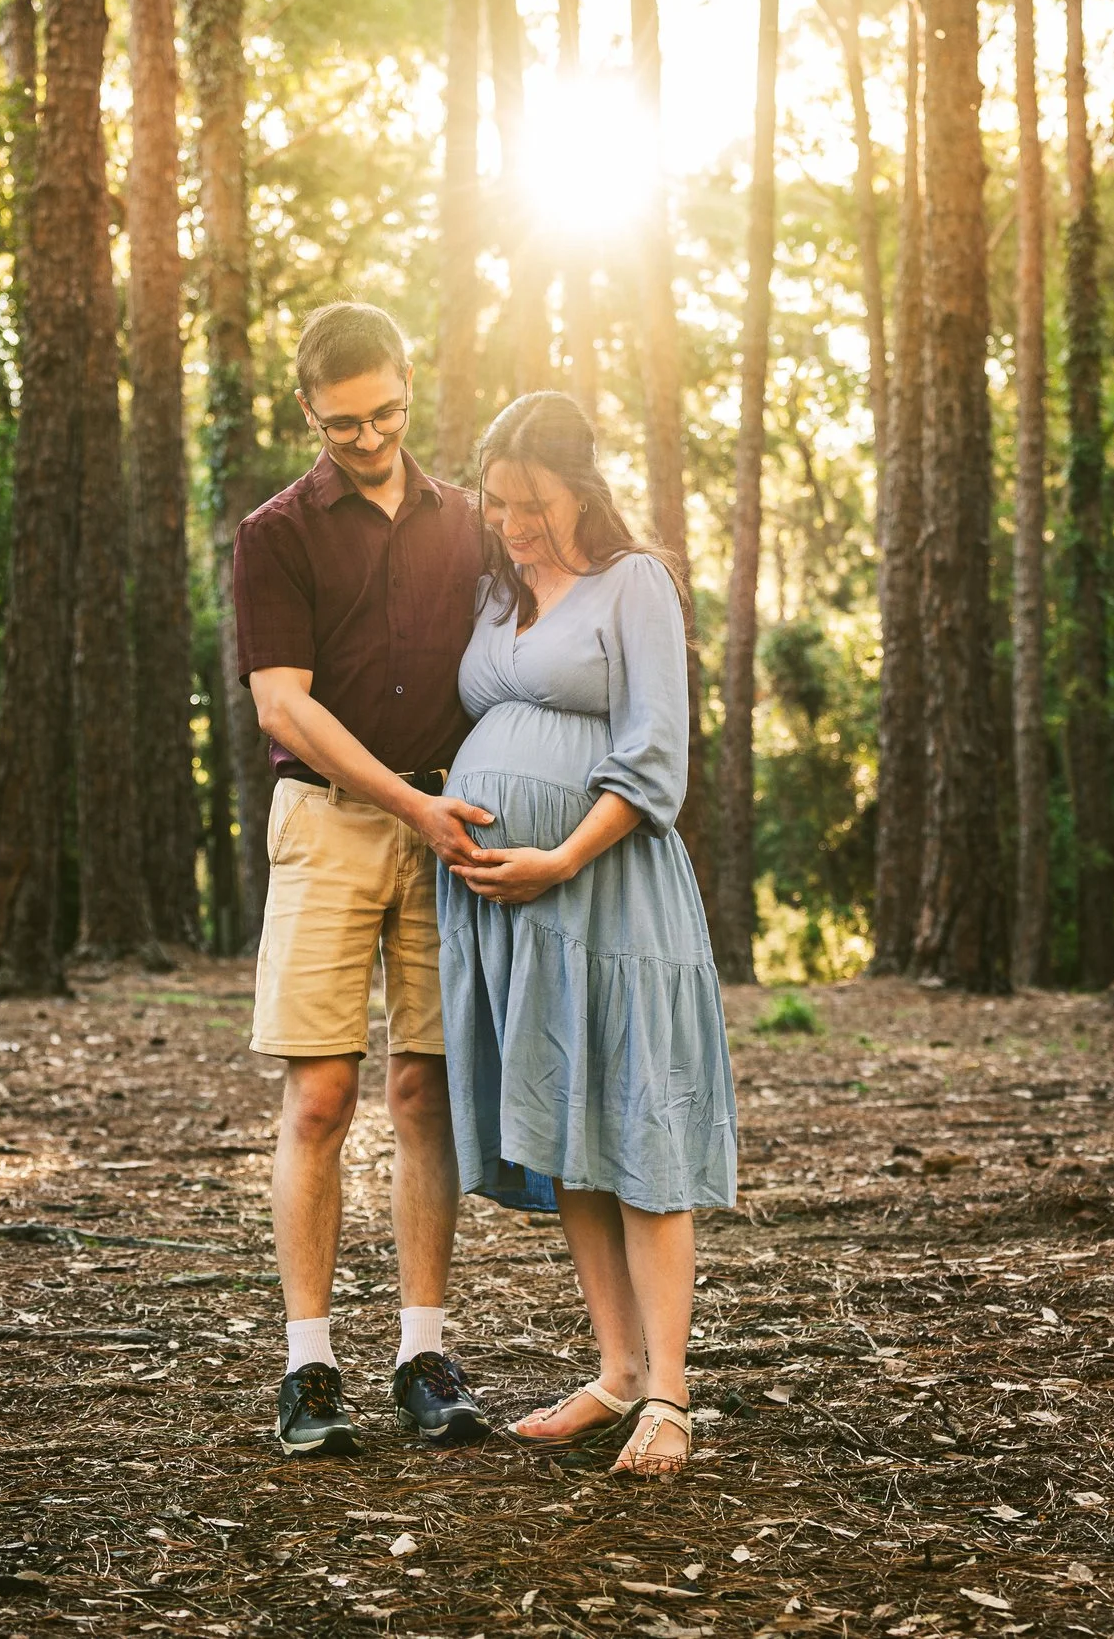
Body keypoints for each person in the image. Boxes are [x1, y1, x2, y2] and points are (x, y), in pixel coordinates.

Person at [437, 391, 739, 1479]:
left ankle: (668, 1391)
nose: (512, 523)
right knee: (571, 1129)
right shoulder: (493, 595)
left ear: (582, 489)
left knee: (638, 1123)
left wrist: (560, 854)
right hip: (515, 918)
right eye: (497, 502)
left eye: (533, 502)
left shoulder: (635, 583)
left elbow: (657, 754)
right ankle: (614, 1371)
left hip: (608, 899)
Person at [234, 302, 496, 1455]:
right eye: (343, 423)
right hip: (332, 825)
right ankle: (309, 1365)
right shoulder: (275, 531)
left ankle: (423, 1354)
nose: (369, 435)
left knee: (425, 1094)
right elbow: (282, 703)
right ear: (307, 412)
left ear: (407, 387)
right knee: (323, 1097)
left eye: (385, 411)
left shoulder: (471, 524)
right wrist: (408, 805)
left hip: (450, 823)